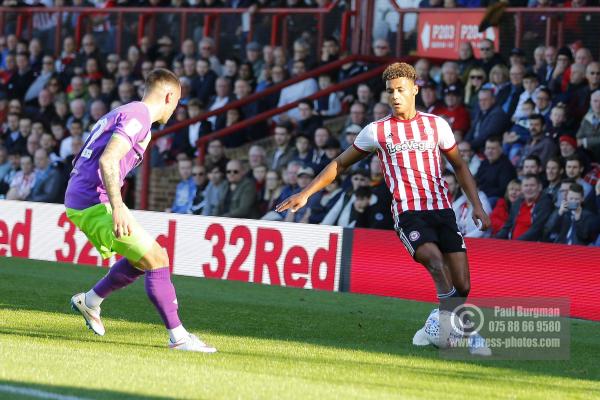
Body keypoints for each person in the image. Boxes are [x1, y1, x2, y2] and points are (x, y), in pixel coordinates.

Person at [276, 62, 491, 355]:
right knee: (436, 263)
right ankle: (467, 331)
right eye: (390, 91)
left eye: (401, 90)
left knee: (462, 286)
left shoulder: (435, 125)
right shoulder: (376, 131)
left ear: (415, 89)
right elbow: (340, 163)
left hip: (442, 209)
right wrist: (306, 193)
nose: (395, 96)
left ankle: (434, 324)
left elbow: (459, 166)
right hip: (408, 213)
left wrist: (476, 205)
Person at [65, 69, 217, 353]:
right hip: (94, 200)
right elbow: (108, 161)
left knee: (142, 258)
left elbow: (83, 155)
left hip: (84, 196)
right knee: (158, 259)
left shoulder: (124, 111)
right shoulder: (139, 117)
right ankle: (179, 337)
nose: (176, 108)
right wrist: (117, 205)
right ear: (170, 96)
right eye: (177, 102)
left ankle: (91, 301)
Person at [495, 174, 554, 241]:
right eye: (526, 185)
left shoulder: (545, 204)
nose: (529, 188)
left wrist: (516, 242)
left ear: (539, 187)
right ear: (522, 189)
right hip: (513, 244)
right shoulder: (517, 203)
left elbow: (536, 229)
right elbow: (507, 226)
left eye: (532, 185)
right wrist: (495, 239)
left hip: (532, 245)